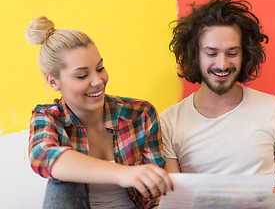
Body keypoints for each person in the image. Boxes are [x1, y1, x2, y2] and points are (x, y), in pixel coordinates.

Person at [160, 0, 275, 194]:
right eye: (211, 53)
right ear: (194, 55)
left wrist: (274, 196)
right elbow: (174, 197)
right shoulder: (169, 121)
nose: (222, 64)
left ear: (245, 54)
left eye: (232, 53)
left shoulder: (273, 108)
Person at [26, 16, 173, 209]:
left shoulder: (140, 114)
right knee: (60, 184)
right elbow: (43, 156)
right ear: (53, 82)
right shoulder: (48, 117)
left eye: (100, 68)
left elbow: (156, 196)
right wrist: (122, 173)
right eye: (82, 75)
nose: (98, 81)